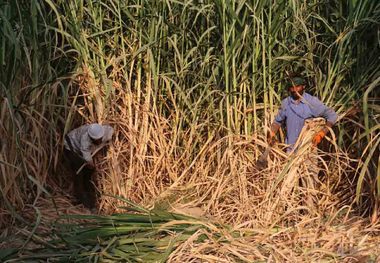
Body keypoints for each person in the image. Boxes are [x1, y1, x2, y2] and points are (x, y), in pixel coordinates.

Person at [268, 77, 338, 152]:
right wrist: (271, 133)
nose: (294, 90)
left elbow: (332, 116)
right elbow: (277, 122)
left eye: (297, 86)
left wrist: (322, 133)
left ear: (303, 86)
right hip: (290, 150)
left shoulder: (312, 102)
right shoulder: (286, 103)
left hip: (307, 151)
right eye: (292, 87)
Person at [64, 123, 114, 209]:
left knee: (88, 173)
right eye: (95, 140)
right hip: (71, 146)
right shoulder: (85, 140)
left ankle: (89, 190)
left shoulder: (107, 131)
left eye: (100, 139)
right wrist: (92, 165)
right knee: (79, 173)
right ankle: (83, 201)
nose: (98, 141)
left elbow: (112, 132)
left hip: (79, 146)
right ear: (91, 138)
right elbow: (88, 159)